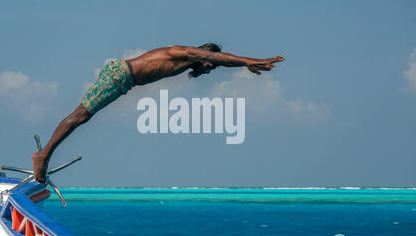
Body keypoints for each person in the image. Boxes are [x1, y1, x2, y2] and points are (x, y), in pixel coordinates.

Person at [31, 43, 285, 182]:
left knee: (83, 116)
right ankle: (43, 156)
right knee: (81, 116)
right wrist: (250, 61)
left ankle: (44, 155)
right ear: (207, 54)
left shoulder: (186, 58)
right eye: (212, 63)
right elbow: (222, 58)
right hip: (121, 76)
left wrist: (244, 66)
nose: (210, 68)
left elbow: (220, 60)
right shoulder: (186, 52)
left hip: (122, 77)